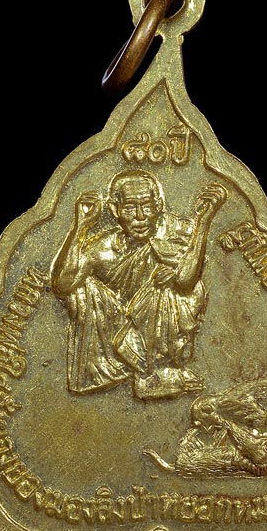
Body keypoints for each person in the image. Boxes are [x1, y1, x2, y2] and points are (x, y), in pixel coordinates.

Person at [52, 169, 226, 399]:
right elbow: (63, 285)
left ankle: (158, 370)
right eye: (130, 208)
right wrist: (80, 227)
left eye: (146, 206)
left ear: (158, 206)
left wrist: (204, 222)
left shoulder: (177, 232)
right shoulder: (104, 248)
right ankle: (126, 368)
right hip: (118, 331)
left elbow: (186, 282)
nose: (140, 216)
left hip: (162, 331)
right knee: (83, 290)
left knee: (172, 283)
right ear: (115, 210)